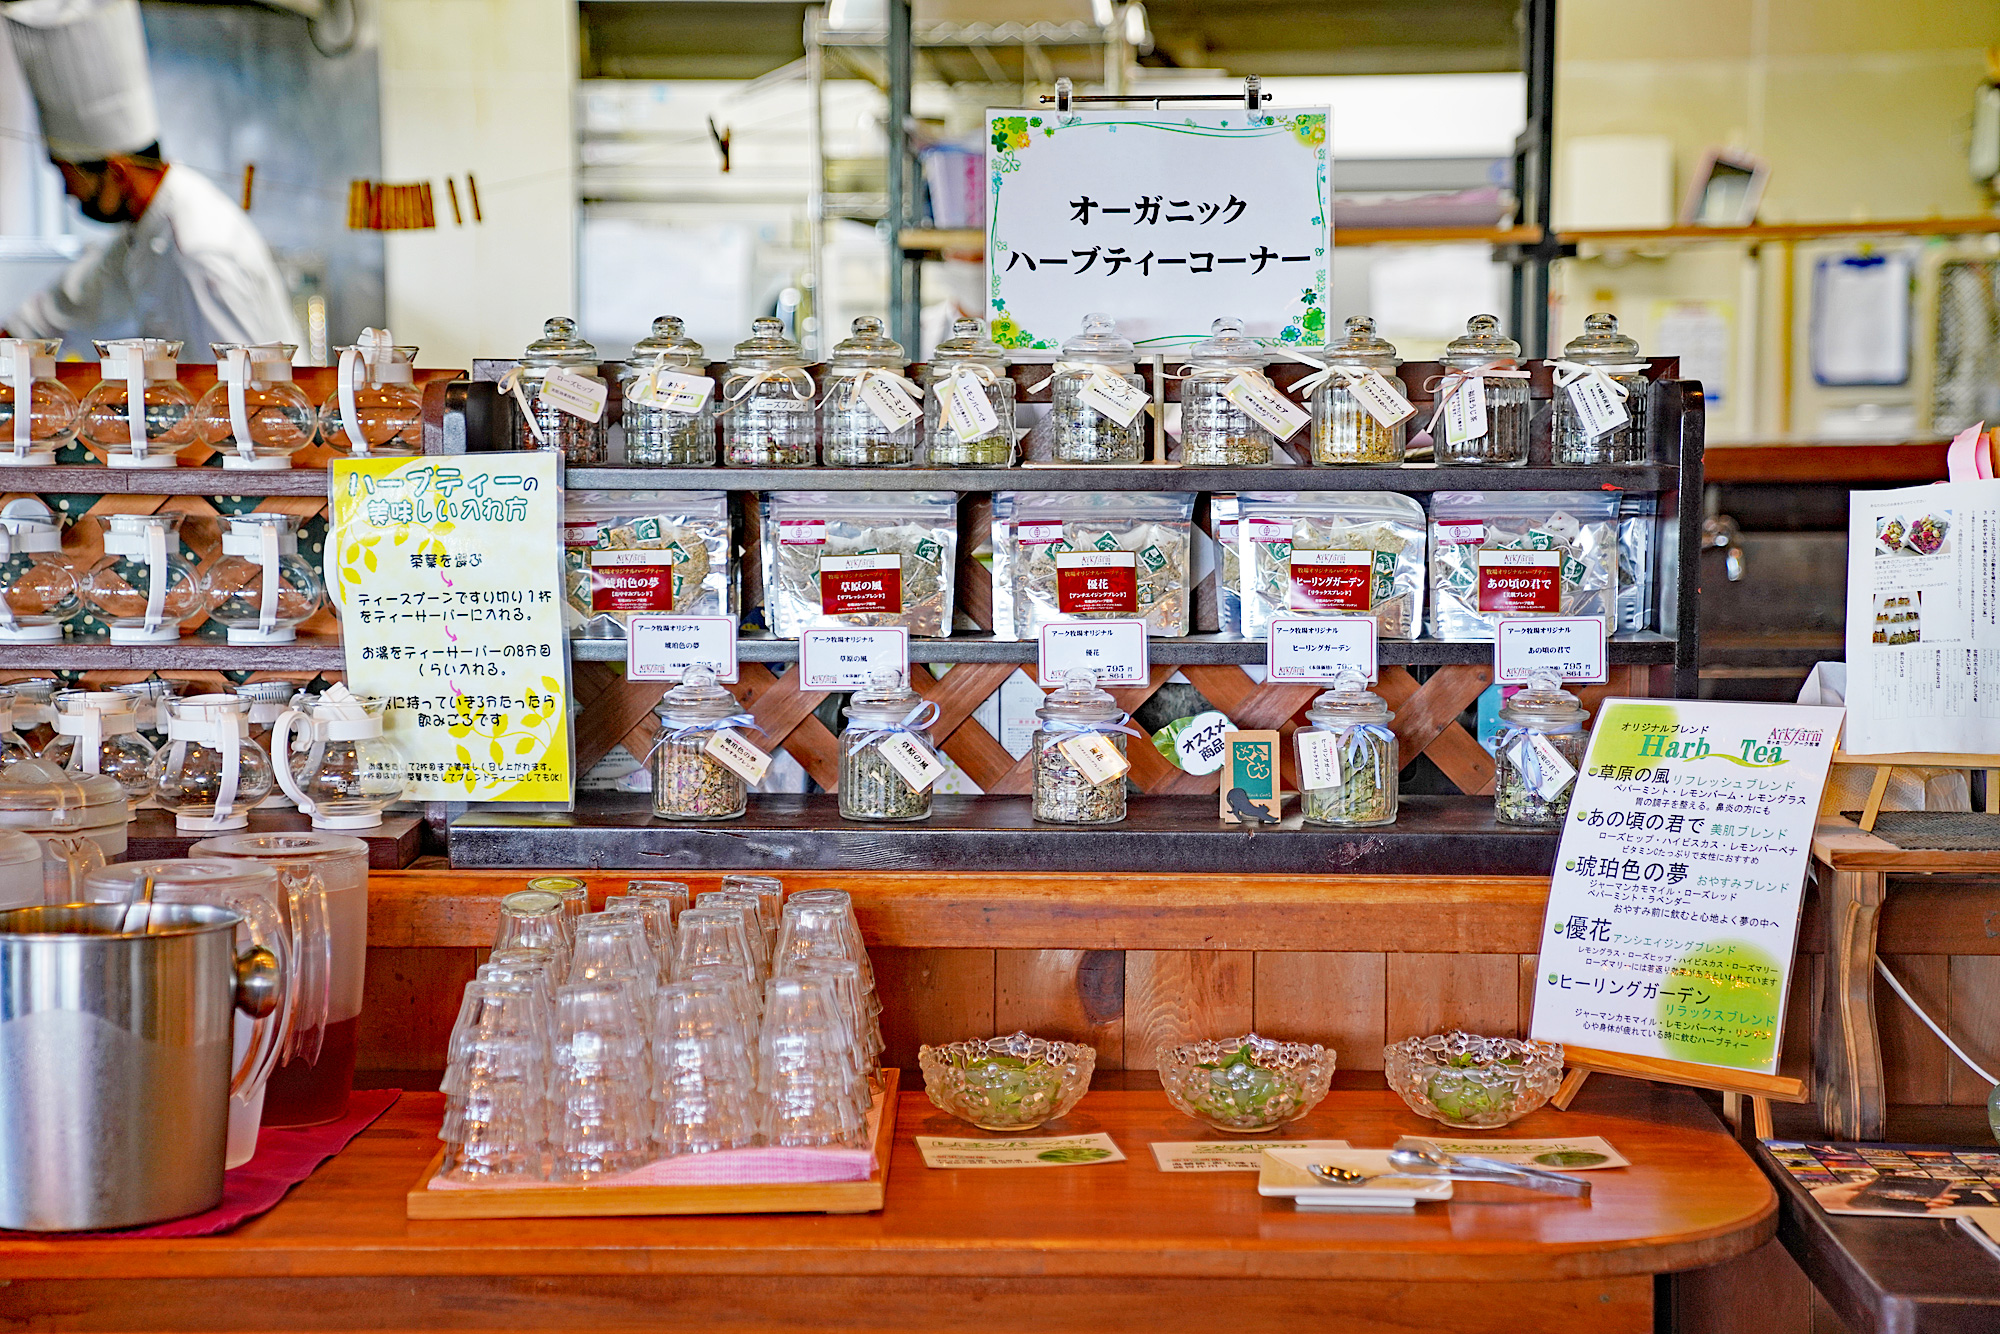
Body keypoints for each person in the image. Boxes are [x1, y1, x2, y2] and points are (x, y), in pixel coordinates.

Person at [0, 0, 299, 352]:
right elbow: (66, 309)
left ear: (117, 172)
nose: (68, 192)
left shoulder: (195, 254)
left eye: (68, 174)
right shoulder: (145, 232)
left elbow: (248, 382)